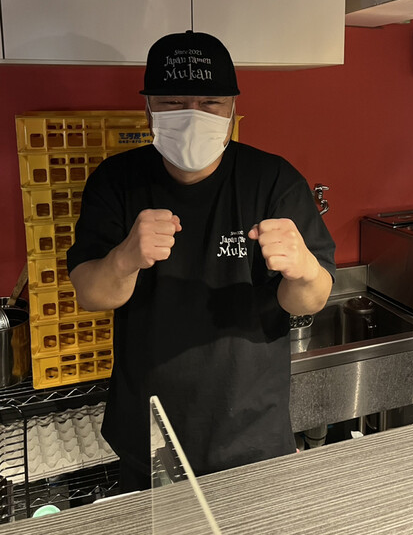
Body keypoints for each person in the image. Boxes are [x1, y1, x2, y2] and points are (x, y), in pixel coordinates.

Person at [67, 30, 335, 493]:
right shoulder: (116, 181)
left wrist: (305, 268)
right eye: (173, 102)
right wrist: (125, 258)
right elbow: (92, 294)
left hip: (250, 429)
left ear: (232, 108)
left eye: (210, 102)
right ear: (148, 108)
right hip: (149, 431)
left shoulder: (273, 180)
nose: (193, 115)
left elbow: (308, 301)